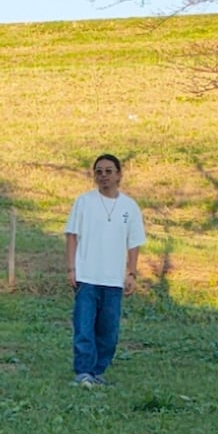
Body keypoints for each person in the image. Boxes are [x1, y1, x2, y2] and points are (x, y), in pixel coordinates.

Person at [65, 153, 146, 386]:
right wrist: (71, 269)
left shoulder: (129, 207)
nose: (103, 176)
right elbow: (72, 235)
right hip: (87, 275)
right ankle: (83, 372)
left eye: (109, 171)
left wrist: (131, 273)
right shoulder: (84, 202)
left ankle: (98, 371)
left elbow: (134, 242)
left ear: (119, 175)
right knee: (83, 326)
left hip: (113, 279)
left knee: (108, 330)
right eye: (99, 171)